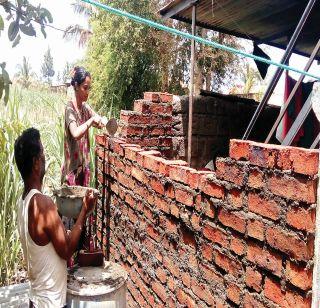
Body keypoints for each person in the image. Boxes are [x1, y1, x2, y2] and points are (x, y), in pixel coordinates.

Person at [14, 128, 97, 307]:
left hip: (35, 299)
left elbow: (44, 244)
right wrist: (84, 211)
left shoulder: (23, 201)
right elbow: (67, 250)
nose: (45, 158)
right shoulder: (43, 203)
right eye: (42, 152)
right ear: (36, 162)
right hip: (50, 303)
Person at [61, 66, 104, 187]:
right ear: (76, 86)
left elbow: (98, 121)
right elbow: (75, 134)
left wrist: (104, 121)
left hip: (83, 166)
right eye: (85, 88)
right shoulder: (69, 109)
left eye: (89, 88)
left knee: (84, 204)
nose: (88, 92)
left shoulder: (85, 107)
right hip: (72, 169)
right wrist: (91, 121)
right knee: (73, 204)